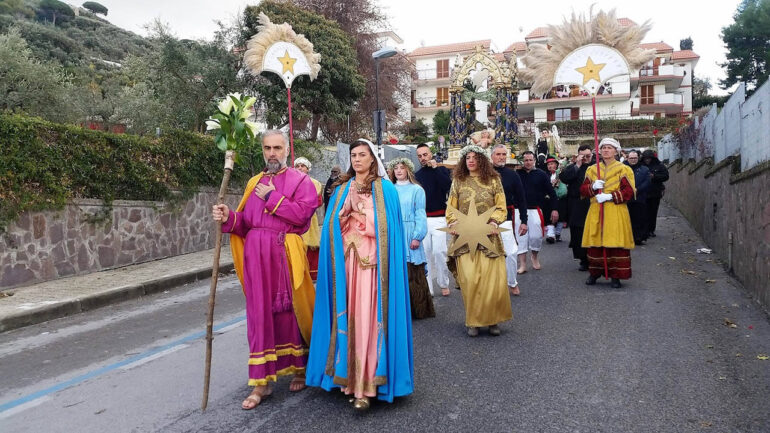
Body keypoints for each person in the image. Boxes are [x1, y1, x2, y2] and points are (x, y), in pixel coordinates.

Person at [211, 130, 318, 410]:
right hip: (256, 256)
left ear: (287, 150)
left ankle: (299, 368)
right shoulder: (254, 182)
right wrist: (228, 217)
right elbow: (245, 223)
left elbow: (303, 216)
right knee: (259, 315)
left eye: (277, 148)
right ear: (263, 150)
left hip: (285, 255)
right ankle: (262, 381)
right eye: (268, 148)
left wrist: (273, 198)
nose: (272, 153)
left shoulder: (301, 181)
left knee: (290, 311)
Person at [306, 139, 413, 411]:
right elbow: (331, 226)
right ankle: (346, 376)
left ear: (372, 159)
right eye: (353, 155)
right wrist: (345, 210)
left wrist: (361, 210)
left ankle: (367, 382)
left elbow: (388, 228)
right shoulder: (342, 188)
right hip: (347, 267)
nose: (357, 159)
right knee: (349, 316)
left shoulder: (385, 189)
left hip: (374, 268)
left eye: (362, 154)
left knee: (368, 319)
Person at [447, 144, 512, 337]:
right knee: (471, 280)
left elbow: (501, 206)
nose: (471, 161)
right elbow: (451, 207)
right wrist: (453, 222)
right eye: (467, 158)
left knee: (492, 281)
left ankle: (492, 321)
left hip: (489, 237)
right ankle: (473, 321)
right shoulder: (458, 181)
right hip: (465, 238)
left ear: (482, 159)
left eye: (475, 157)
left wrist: (494, 221)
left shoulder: (494, 180)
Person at [581, 137, 636, 288]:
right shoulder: (592, 169)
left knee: (615, 243)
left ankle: (616, 276)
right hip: (596, 210)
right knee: (596, 243)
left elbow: (629, 192)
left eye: (609, 148)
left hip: (616, 211)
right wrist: (592, 187)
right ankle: (594, 273)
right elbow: (583, 190)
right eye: (603, 147)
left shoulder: (624, 169)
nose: (606, 150)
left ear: (615, 151)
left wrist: (611, 196)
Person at [387, 157, 435, 319]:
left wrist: (417, 236)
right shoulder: (390, 190)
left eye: (402, 167)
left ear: (408, 169)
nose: (399, 171)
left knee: (413, 272)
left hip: (410, 232)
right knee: (397, 271)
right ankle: (401, 311)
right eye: (396, 168)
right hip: (395, 233)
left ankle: (419, 310)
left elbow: (420, 214)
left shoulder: (416, 190)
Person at [414, 143, 453, 297]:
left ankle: (443, 283)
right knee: (425, 254)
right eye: (420, 156)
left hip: (439, 218)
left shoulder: (441, 170)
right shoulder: (417, 175)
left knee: (439, 251)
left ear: (431, 154)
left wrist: (436, 168)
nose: (423, 158)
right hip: (423, 219)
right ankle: (428, 287)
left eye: (425, 154)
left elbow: (448, 186)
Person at [490, 144, 528, 296]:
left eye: (503, 154)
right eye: (498, 154)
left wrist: (524, 221)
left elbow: (521, 199)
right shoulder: (483, 174)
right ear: (491, 156)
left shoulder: (513, 175)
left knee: (511, 252)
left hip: (505, 219)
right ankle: (491, 285)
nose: (501, 157)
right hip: (485, 220)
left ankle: (512, 282)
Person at [516, 151, 558, 273]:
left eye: (530, 160)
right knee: (521, 237)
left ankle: (534, 256)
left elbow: (552, 193)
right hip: (519, 210)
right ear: (522, 161)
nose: (528, 162)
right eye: (525, 160)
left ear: (534, 160)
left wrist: (554, 209)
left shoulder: (541, 174)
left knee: (536, 237)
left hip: (535, 209)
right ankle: (523, 264)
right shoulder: (517, 174)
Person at [560, 145, 593, 271]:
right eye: (583, 156)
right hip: (576, 203)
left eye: (588, 156)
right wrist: (577, 165)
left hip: (592, 202)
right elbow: (564, 178)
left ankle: (594, 257)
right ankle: (583, 259)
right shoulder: (573, 167)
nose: (586, 158)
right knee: (578, 232)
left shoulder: (596, 167)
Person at [294, 157, 323, 280]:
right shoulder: (290, 181)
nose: (300, 168)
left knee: (311, 244)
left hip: (309, 217)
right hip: (293, 216)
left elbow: (319, 201)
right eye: (298, 166)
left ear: (307, 169)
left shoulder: (315, 183)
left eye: (302, 166)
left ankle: (310, 273)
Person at [624, 150, 651, 245]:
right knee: (627, 219)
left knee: (639, 219)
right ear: (627, 158)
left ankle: (638, 237)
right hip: (626, 198)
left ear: (638, 158)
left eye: (635, 158)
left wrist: (637, 190)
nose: (633, 160)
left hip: (639, 198)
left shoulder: (644, 169)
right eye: (631, 158)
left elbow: (647, 182)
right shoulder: (622, 168)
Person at [641, 149, 669, 239]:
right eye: (646, 158)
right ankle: (644, 230)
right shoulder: (641, 165)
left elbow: (665, 176)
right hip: (644, 193)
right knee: (643, 212)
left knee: (653, 212)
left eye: (649, 158)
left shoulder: (659, 166)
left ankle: (651, 230)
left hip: (655, 193)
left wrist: (654, 176)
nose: (647, 160)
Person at [545, 156, 568, 243]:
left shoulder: (560, 173)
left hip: (561, 198)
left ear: (556, 165)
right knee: (550, 216)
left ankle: (557, 234)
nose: (550, 166)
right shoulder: (545, 175)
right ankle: (551, 235)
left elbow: (564, 165)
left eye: (552, 164)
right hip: (550, 198)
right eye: (548, 164)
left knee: (561, 216)